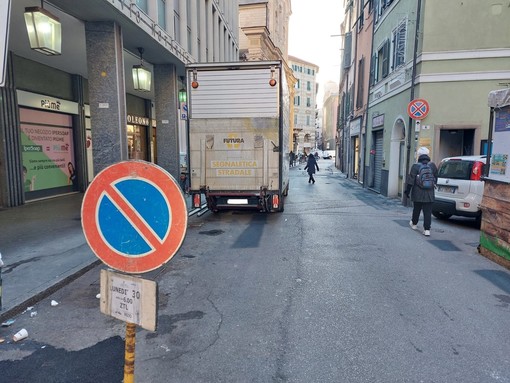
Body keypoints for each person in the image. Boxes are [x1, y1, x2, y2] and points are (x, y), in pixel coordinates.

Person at [404, 147, 438, 237]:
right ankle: (427, 230)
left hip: (417, 192)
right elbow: (436, 178)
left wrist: (407, 192)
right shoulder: (432, 166)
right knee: (428, 211)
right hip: (429, 193)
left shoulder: (415, 166)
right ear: (428, 155)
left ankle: (414, 224)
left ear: (419, 155)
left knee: (417, 209)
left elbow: (410, 181)